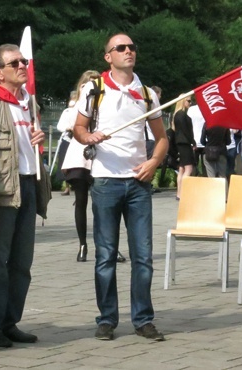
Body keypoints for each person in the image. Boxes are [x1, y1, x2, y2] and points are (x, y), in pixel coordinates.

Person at [73, 33, 167, 342]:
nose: (128, 51)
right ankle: (107, 319)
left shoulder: (146, 93)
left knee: (143, 256)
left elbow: (162, 138)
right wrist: (88, 138)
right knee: (106, 255)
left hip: (138, 183)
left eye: (131, 47)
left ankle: (143, 319)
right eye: (120, 48)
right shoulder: (94, 89)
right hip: (105, 181)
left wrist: (153, 163)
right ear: (108, 57)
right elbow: (79, 128)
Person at [0, 43, 48, 348]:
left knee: (22, 261)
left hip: (29, 184)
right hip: (4, 189)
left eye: (24, 61)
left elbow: (28, 143)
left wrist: (40, 136)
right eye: (15, 63)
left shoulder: (28, 101)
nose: (22, 66)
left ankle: (9, 321)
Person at [59, 70, 127, 264]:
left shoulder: (109, 103)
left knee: (105, 204)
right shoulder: (77, 106)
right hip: (80, 155)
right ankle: (82, 244)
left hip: (103, 154)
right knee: (81, 202)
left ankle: (108, 245)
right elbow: (70, 125)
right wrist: (81, 102)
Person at [172, 96, 195, 200]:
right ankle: (183, 193)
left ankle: (179, 193)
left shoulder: (177, 115)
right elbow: (186, 131)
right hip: (184, 143)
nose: (190, 103)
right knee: (188, 168)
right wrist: (192, 142)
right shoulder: (181, 115)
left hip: (180, 143)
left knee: (181, 169)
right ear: (183, 101)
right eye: (188, 101)